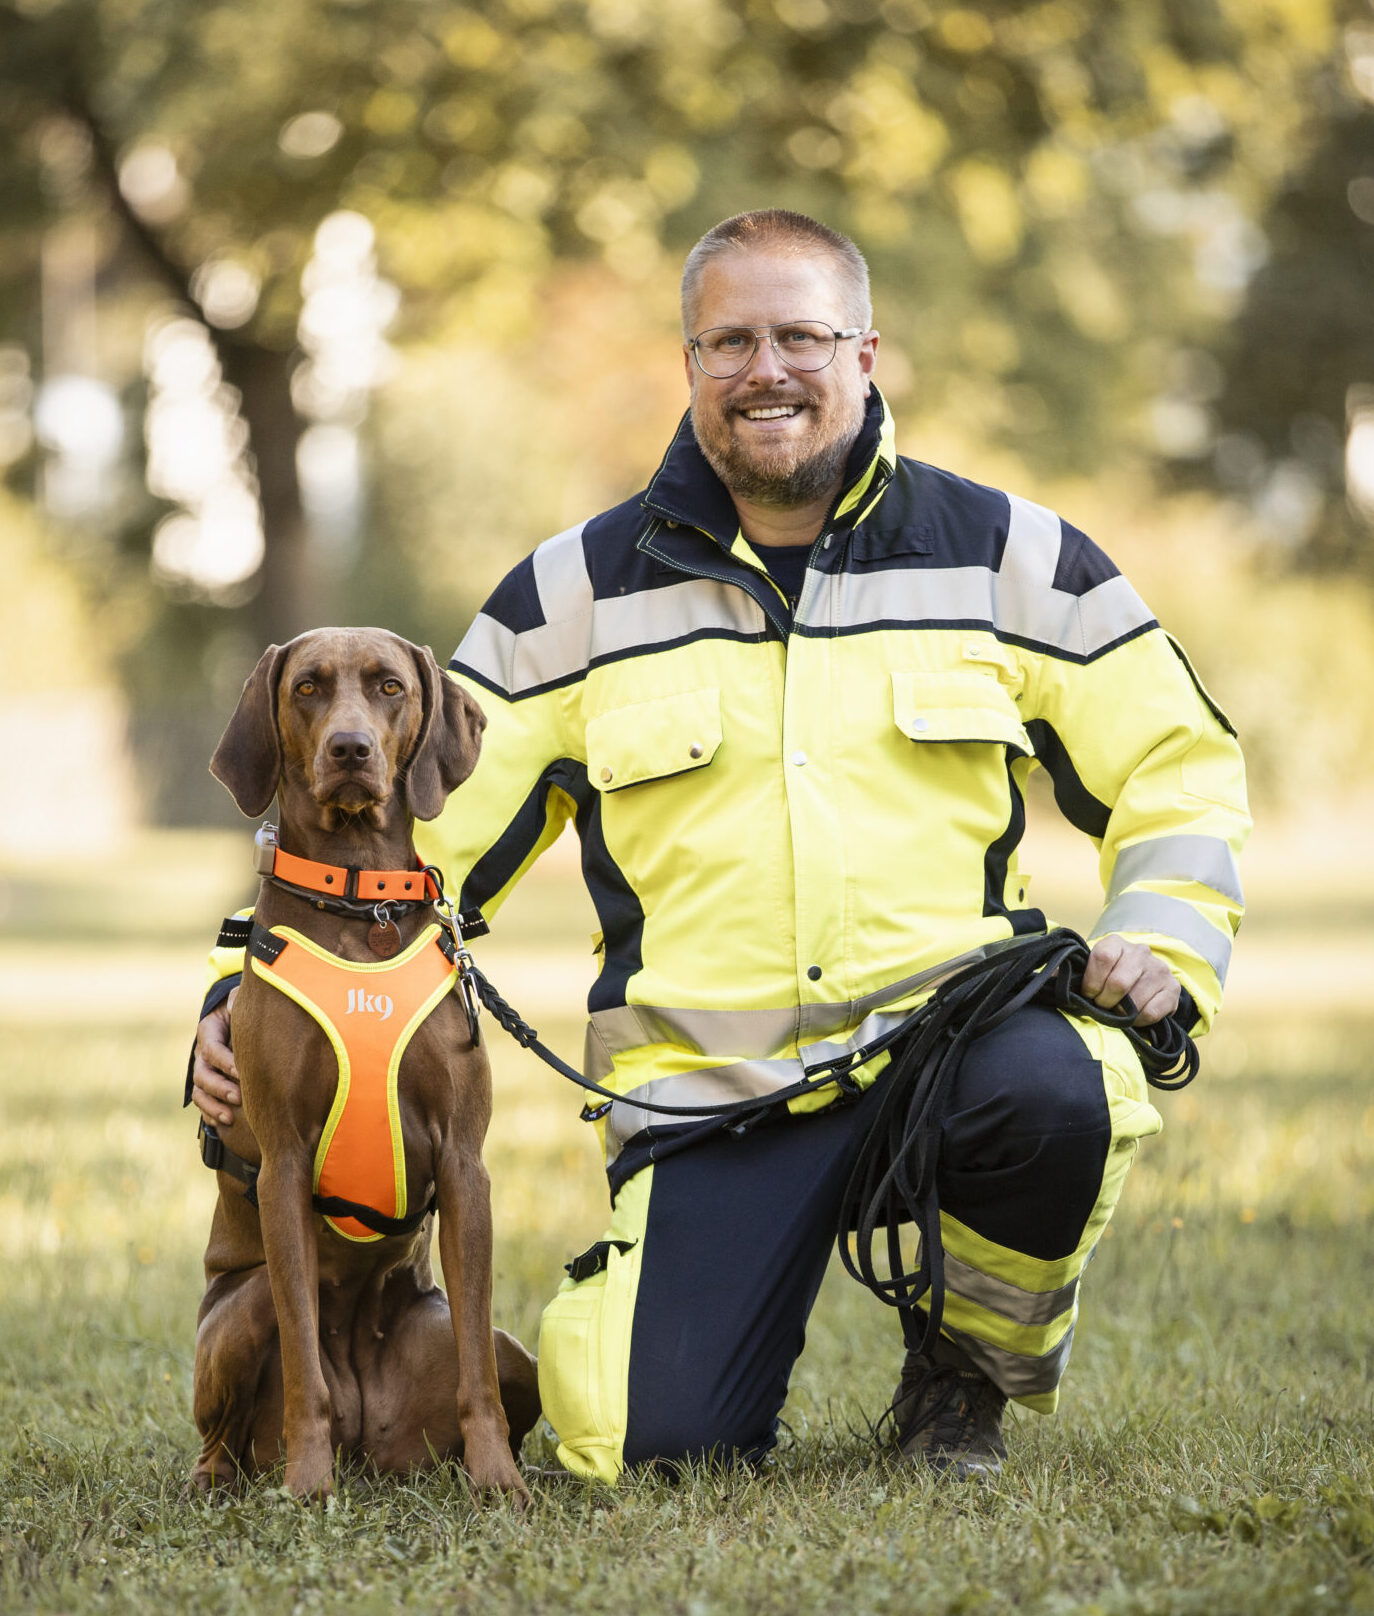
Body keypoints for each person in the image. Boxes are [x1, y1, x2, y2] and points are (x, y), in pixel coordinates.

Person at [192, 209, 1249, 1484]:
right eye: (731, 341)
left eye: (804, 336)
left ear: (866, 354)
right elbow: (403, 838)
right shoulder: (571, 595)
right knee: (642, 1442)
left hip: (953, 1061)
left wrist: (1160, 938)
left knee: (1059, 1091)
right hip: (712, 1108)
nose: (768, 370)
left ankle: (960, 1375)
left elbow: (1179, 760)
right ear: (690, 363)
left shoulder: (1012, 555)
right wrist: (237, 1000)